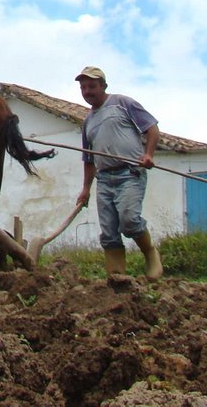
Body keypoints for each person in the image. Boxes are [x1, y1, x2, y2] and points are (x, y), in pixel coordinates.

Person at [74, 66, 163, 280]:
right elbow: (89, 159)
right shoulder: (87, 122)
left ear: (103, 86)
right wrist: (86, 189)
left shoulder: (123, 103)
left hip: (130, 173)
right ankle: (116, 277)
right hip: (104, 179)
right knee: (109, 231)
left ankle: (150, 253)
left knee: (129, 220)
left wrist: (148, 154)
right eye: (83, 87)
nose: (87, 91)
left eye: (92, 86)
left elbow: (152, 128)